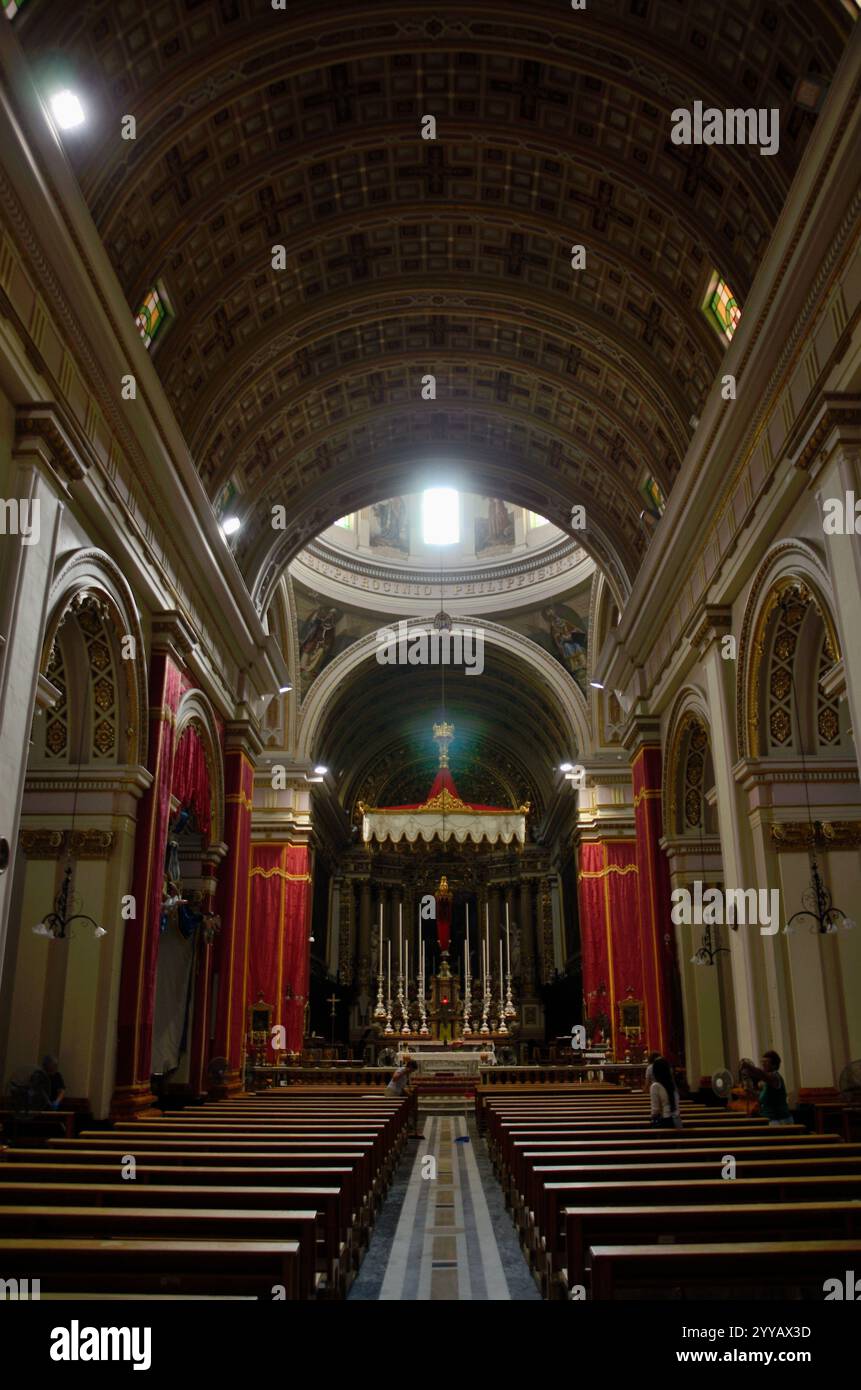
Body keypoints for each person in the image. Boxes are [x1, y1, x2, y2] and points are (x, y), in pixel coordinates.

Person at [740, 1050, 792, 1125]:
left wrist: (748, 1066)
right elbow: (762, 1098)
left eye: (766, 1062)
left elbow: (761, 1074)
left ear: (774, 1065)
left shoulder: (775, 1077)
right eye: (762, 1062)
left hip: (780, 1121)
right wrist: (750, 1091)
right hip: (771, 1119)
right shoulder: (767, 1082)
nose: (763, 1064)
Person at [649, 1056, 682, 1130]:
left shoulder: (655, 1086)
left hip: (665, 1121)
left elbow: (656, 1110)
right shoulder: (673, 1085)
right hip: (677, 1120)